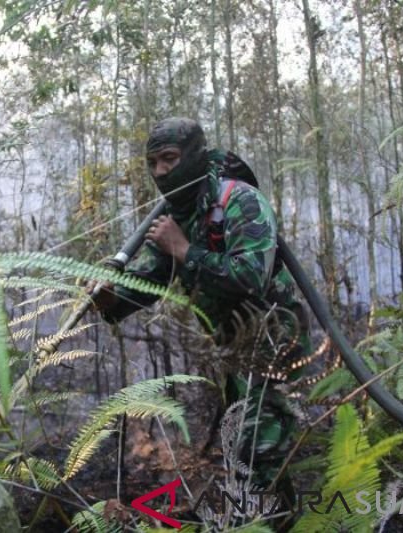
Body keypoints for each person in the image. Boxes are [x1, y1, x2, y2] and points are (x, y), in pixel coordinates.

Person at [89, 117, 309, 516]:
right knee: (251, 453)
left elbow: (251, 277)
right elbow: (147, 282)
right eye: (153, 163)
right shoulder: (179, 216)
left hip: (273, 344)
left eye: (169, 159)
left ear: (195, 156)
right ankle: (280, 517)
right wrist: (109, 299)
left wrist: (184, 250)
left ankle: (266, 520)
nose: (160, 172)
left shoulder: (240, 201)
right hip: (233, 349)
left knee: (254, 453)